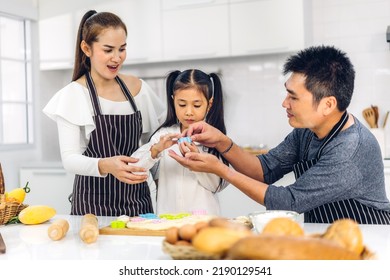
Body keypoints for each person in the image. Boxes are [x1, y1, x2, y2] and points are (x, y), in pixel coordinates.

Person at [170, 45, 390, 224]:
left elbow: (289, 201)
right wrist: (221, 141)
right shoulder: (305, 132)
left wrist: (220, 170)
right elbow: (264, 170)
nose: (285, 103)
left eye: (293, 97)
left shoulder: (349, 150)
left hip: (368, 239)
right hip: (325, 235)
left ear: (328, 104)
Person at [43, 10, 165, 216]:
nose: (116, 58)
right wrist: (106, 165)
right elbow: (70, 159)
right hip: (93, 206)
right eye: (108, 50)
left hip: (138, 203)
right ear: (86, 48)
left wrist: (163, 191)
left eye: (122, 49)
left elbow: (151, 149)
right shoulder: (73, 95)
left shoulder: (139, 89)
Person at [130, 69, 229, 215]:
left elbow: (216, 186)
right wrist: (155, 150)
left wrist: (197, 161)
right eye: (182, 104)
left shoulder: (215, 138)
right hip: (168, 221)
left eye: (196, 105)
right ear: (173, 101)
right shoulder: (163, 135)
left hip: (203, 222)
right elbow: (133, 168)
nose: (189, 112)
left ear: (209, 104)